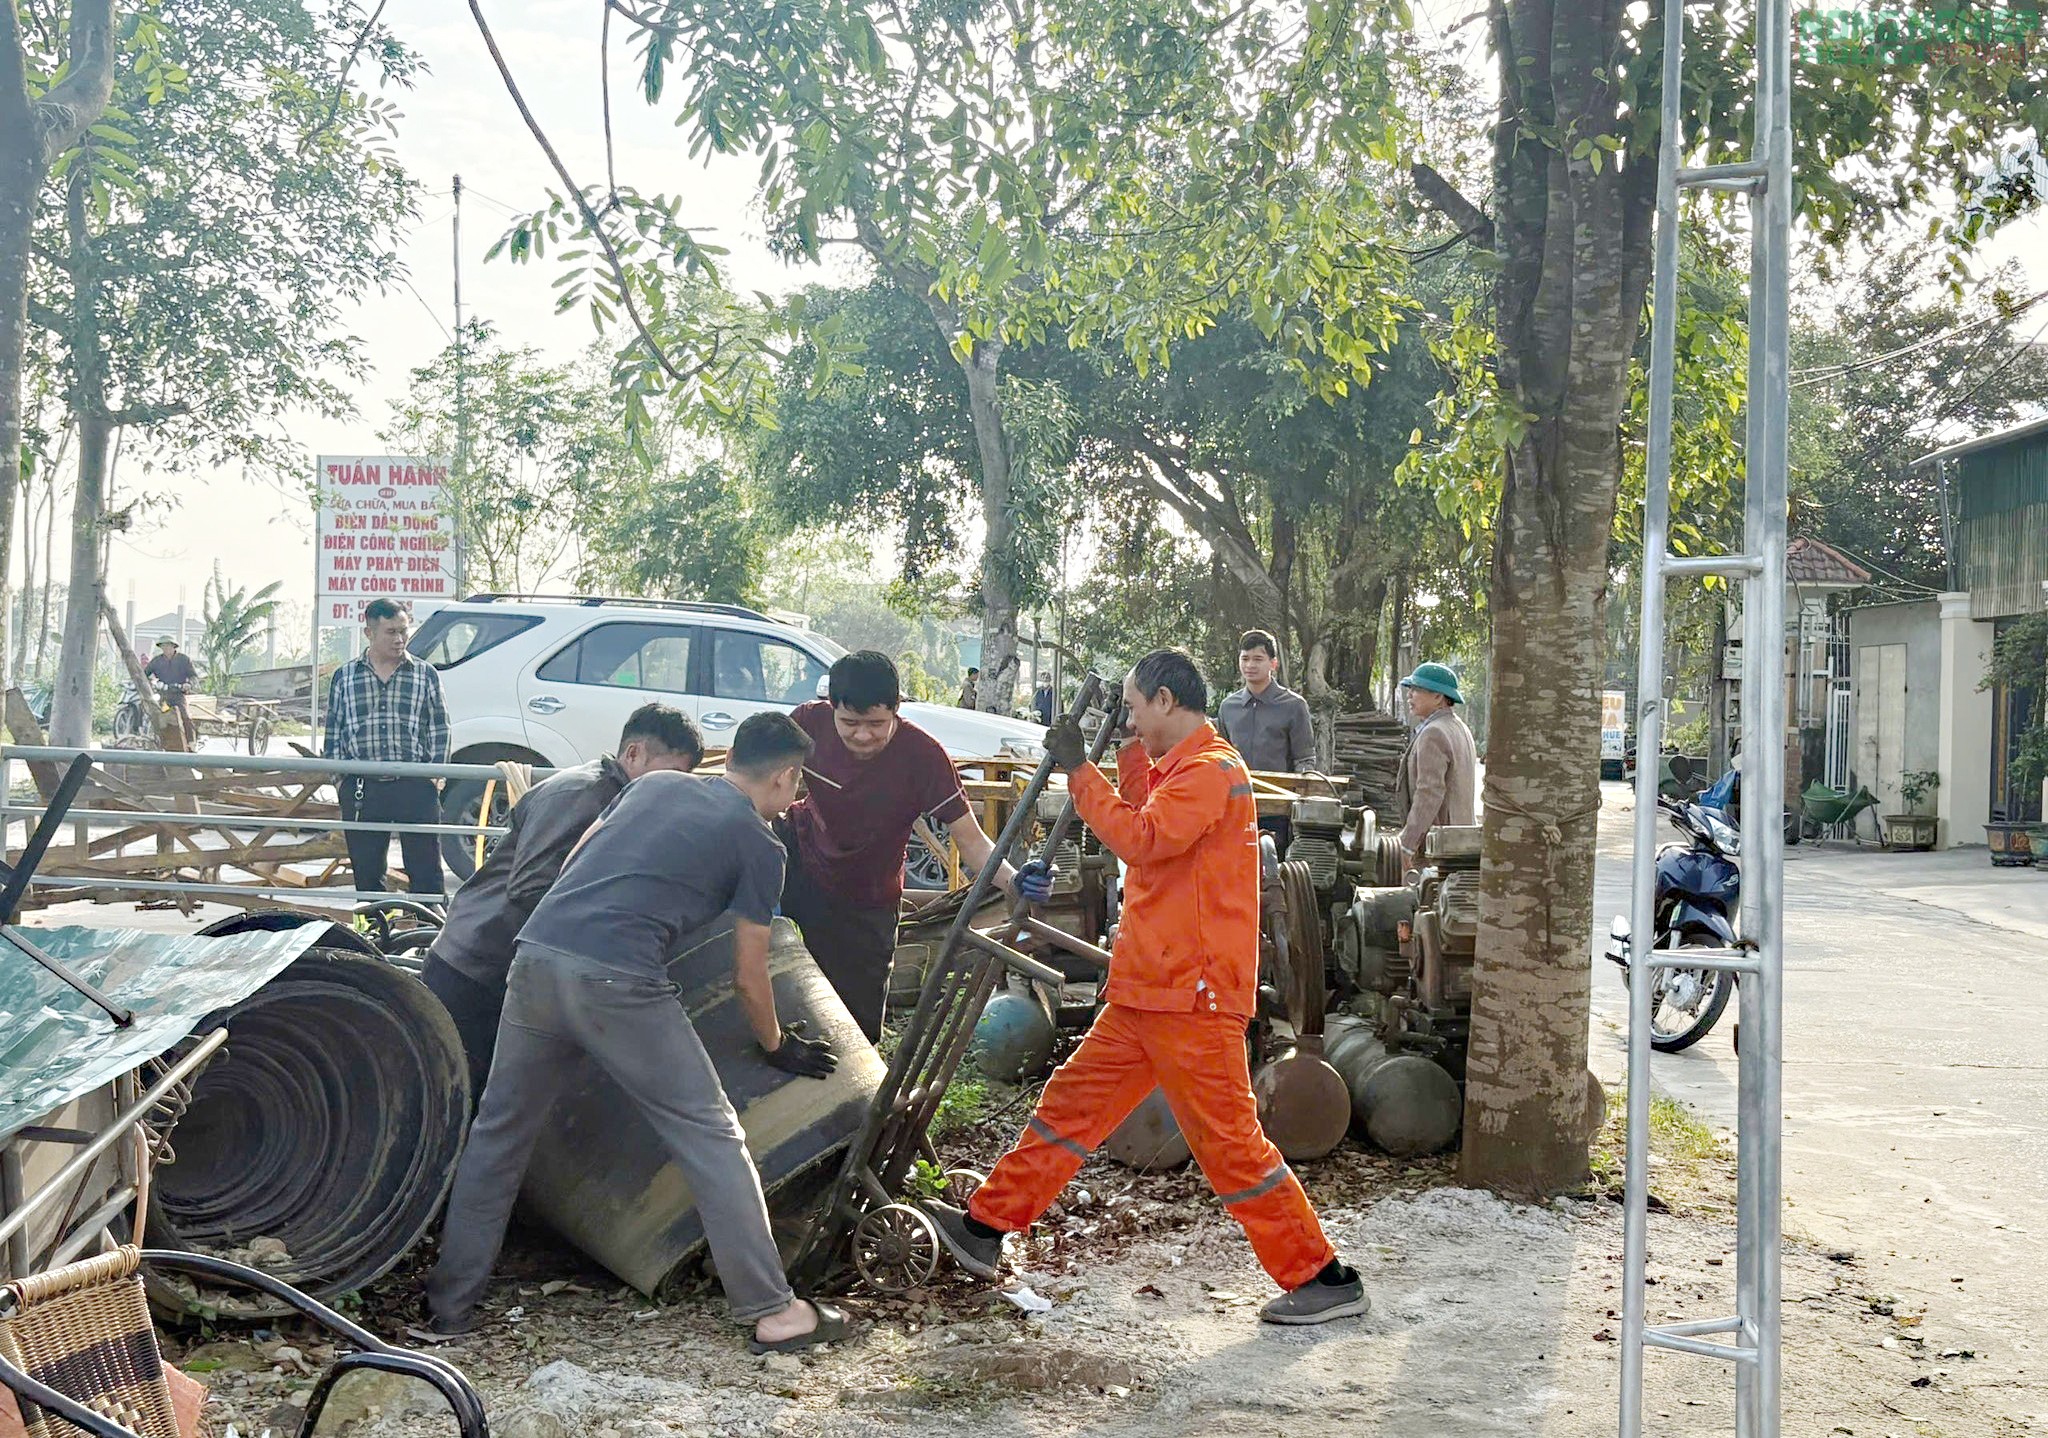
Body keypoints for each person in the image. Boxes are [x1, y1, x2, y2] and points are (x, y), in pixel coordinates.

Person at [923, 648, 1370, 1326]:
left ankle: (1321, 1275)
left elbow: (1143, 837)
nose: (1130, 717)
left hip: (1189, 995)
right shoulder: (1186, 770)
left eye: (1134, 707)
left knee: (1228, 1142)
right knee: (1070, 1105)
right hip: (1152, 991)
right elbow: (1146, 806)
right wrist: (1123, 757)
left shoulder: (1212, 771)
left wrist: (1078, 771)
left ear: (1165, 700)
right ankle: (985, 1226)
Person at [421, 711, 846, 1353]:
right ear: (786, 777)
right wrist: (777, 1045)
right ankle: (772, 1309)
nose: (797, 800)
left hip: (534, 957)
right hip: (619, 981)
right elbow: (750, 977)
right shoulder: (762, 845)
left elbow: (578, 859)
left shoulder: (650, 787)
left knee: (500, 1133)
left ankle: (449, 1308)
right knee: (711, 1134)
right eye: (800, 786)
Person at [421, 703, 704, 1101]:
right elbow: (530, 888)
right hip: (475, 967)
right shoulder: (582, 795)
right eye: (672, 775)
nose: (675, 789)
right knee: (462, 1100)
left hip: (507, 967)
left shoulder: (620, 799)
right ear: (634, 753)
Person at [782, 650, 1051, 1041]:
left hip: (868, 895)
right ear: (830, 708)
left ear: (897, 709)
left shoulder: (923, 757)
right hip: (800, 861)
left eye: (876, 723)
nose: (862, 735)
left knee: (859, 1022)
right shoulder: (807, 722)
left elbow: (972, 841)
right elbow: (758, 779)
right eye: (849, 723)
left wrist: (1014, 882)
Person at [324, 598, 450, 897]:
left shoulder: (425, 674)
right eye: (391, 632)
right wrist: (340, 780)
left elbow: (440, 727)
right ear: (369, 633)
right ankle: (373, 932)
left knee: (426, 870)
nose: (399, 639)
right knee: (367, 873)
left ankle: (431, 933)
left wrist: (435, 777)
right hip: (362, 787)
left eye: (404, 631)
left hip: (415, 784)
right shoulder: (345, 676)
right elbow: (334, 731)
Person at [1394, 661, 1478, 861]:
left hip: (1438, 847)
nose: (1409, 696)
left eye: (1416, 690)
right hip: (1460, 841)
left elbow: (1428, 794)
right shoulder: (1459, 728)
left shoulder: (1434, 733)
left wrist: (1407, 845)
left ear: (1438, 696)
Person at [1216, 630, 1315, 773]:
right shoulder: (1228, 707)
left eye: (1258, 659)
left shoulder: (1294, 705)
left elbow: (1304, 760)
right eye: (1245, 659)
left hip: (1280, 792)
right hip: (1237, 792)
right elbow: (1220, 754)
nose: (1250, 665)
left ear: (1273, 664)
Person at [144, 637, 200, 746]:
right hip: (164, 696)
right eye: (163, 646)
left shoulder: (184, 660)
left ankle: (191, 742)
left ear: (174, 646)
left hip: (179, 696)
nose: (166, 648)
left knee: (185, 717)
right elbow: (144, 674)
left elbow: (193, 676)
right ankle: (161, 742)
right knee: (162, 716)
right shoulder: (156, 661)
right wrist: (152, 683)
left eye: (168, 646)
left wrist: (189, 685)